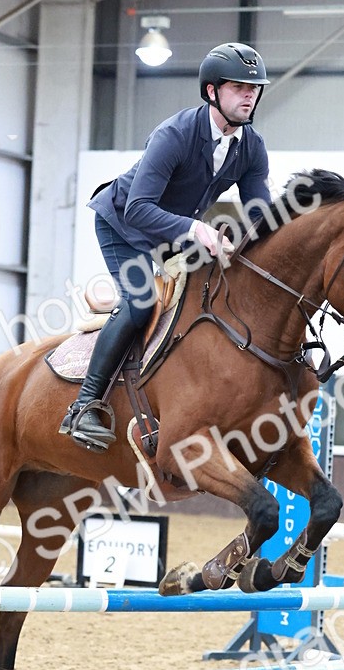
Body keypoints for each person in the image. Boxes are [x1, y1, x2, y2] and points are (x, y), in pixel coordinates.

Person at [58, 41, 272, 453]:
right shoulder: (174, 135)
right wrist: (197, 230)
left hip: (172, 233)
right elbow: (139, 208)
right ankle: (84, 405)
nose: (250, 95)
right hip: (123, 223)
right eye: (239, 87)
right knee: (141, 303)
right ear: (212, 92)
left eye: (255, 88)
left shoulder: (251, 147)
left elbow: (261, 214)